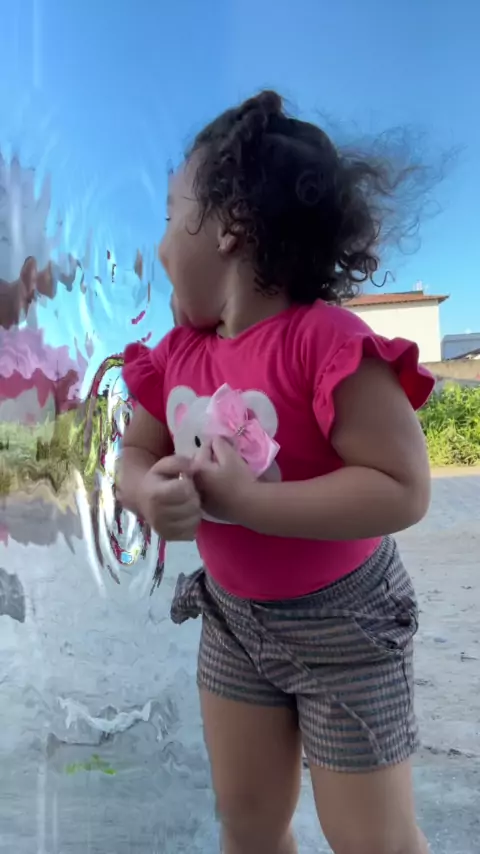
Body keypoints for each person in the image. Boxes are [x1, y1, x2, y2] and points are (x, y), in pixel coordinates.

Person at [118, 90, 435, 854]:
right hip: (234, 620)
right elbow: (133, 454)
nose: (160, 248)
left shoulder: (324, 341)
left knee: (371, 839)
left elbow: (401, 486)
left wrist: (251, 505)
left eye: (171, 217)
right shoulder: (178, 355)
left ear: (230, 226)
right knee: (249, 822)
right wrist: (146, 492)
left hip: (346, 625)